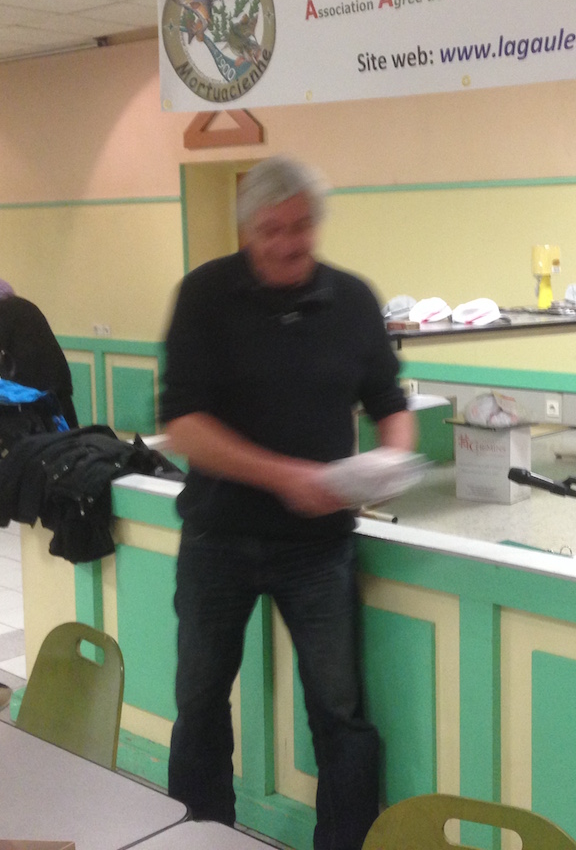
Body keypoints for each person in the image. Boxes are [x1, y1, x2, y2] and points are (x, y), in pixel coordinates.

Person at [160, 156, 414, 848]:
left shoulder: (352, 299)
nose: (289, 243)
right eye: (272, 230)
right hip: (217, 537)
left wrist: (392, 458)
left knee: (340, 712)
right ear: (247, 230)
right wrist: (284, 477)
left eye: (301, 227)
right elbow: (182, 425)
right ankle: (199, 839)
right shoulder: (205, 296)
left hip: (319, 547)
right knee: (200, 704)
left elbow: (390, 401)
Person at [0, 277, 78, 427]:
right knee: (68, 425)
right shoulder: (26, 305)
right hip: (58, 375)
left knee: (45, 430)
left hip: (35, 382)